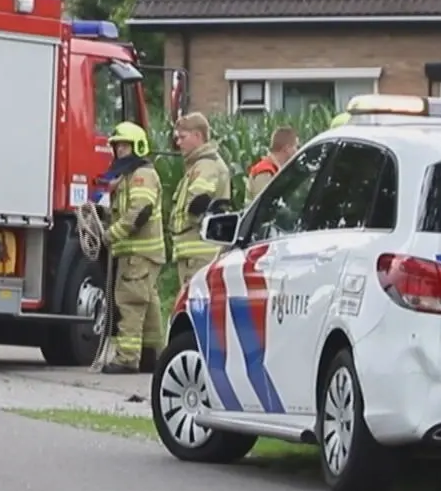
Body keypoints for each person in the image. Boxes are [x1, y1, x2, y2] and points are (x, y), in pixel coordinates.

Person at [100, 121, 164, 375]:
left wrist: (111, 235)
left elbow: (141, 211)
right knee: (148, 306)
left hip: (138, 254)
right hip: (142, 254)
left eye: (124, 146)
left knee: (130, 303)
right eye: (117, 147)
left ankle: (127, 358)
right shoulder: (128, 176)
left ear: (138, 146)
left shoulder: (141, 175)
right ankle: (151, 356)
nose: (119, 152)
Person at [167, 113, 232, 346]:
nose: (178, 142)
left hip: (200, 253)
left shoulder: (205, 166)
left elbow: (198, 202)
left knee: (197, 308)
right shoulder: (198, 165)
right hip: (192, 253)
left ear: (198, 136)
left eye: (182, 137)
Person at [245, 125, 299, 203]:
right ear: (287, 148)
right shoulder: (265, 172)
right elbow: (263, 207)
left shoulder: (275, 169)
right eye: (296, 147)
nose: (297, 151)